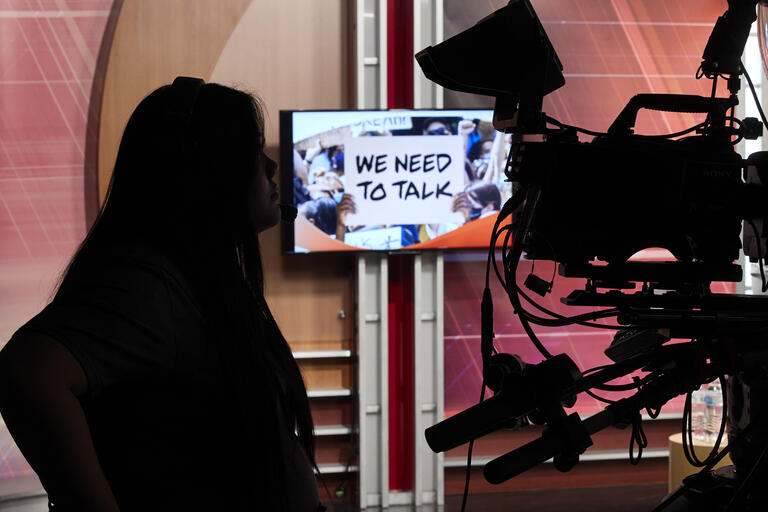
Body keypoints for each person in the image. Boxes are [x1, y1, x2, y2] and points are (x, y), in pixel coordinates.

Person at [0, 78, 323, 512]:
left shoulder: (193, 278)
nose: (270, 167)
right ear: (208, 170)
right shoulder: (152, 286)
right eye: (251, 151)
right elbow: (26, 372)